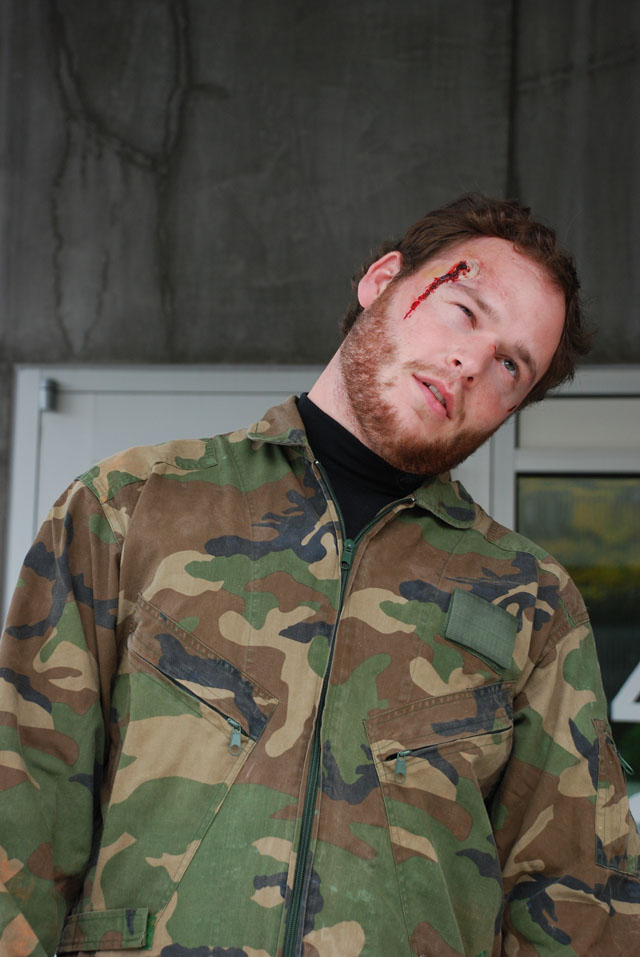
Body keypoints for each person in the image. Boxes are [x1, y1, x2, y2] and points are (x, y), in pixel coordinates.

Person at [0, 194, 638, 956]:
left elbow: (581, 904)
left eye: (511, 365)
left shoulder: (532, 601)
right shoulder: (131, 505)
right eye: (465, 311)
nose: (472, 362)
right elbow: (21, 811)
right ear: (382, 280)